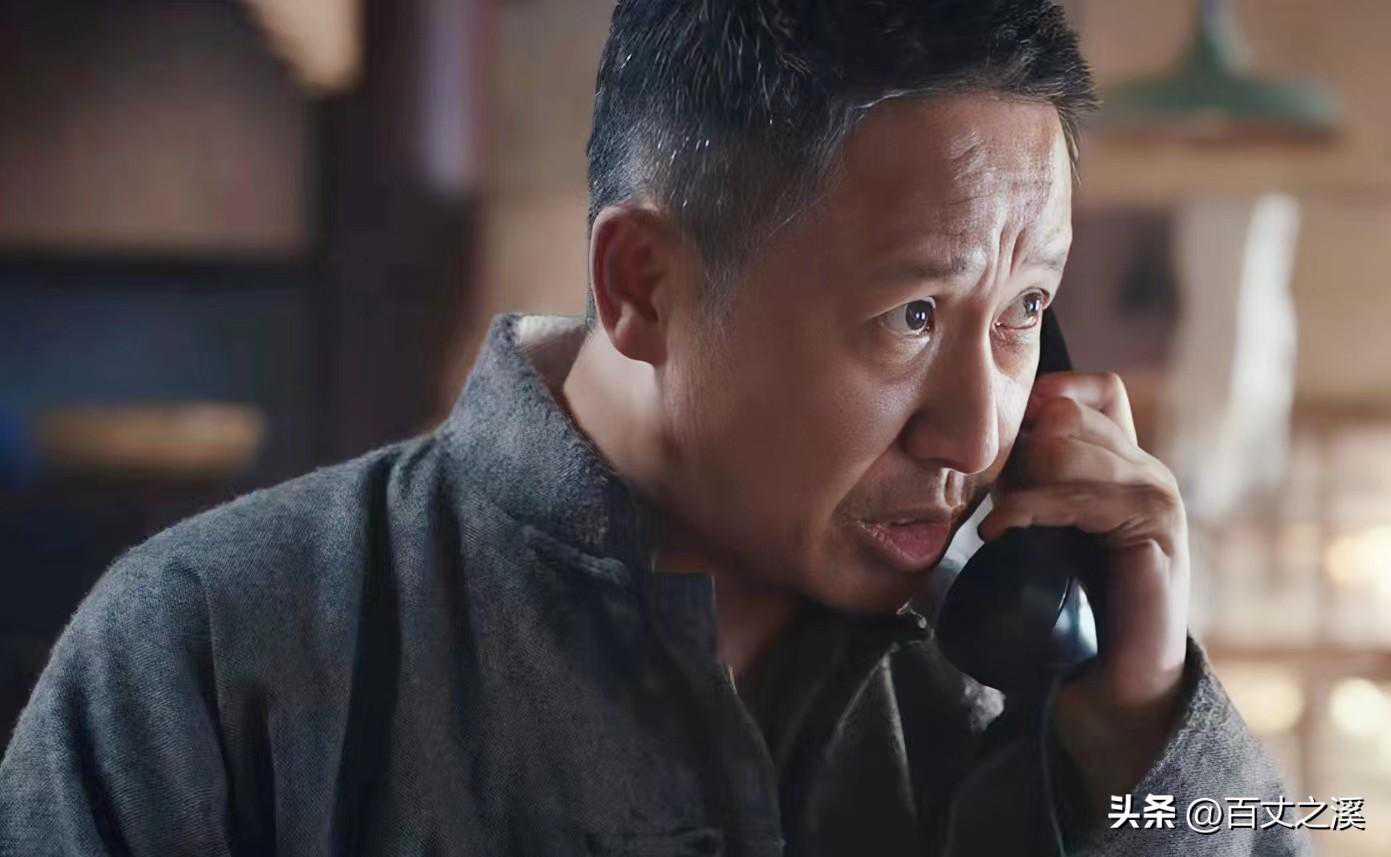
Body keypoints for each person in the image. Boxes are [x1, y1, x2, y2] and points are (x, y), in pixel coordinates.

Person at [1, 2, 1308, 855]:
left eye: (1025, 310)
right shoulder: (213, 651)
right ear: (643, 286)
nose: (978, 428)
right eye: (913, 314)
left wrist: (1146, 732)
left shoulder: (1023, 686)